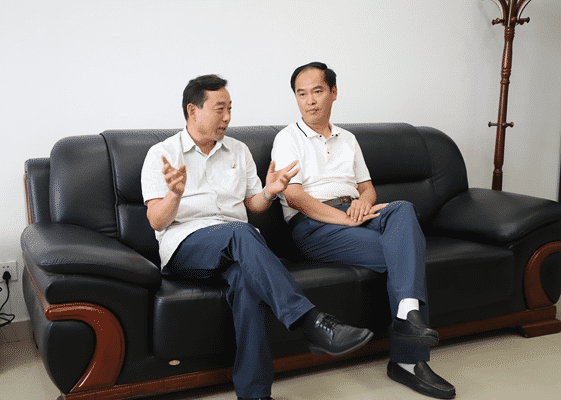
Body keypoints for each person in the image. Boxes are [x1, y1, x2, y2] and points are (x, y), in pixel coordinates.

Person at [141, 74, 373, 400]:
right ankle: (311, 322)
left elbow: (253, 205)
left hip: (236, 244)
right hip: (187, 246)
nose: (227, 117)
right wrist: (175, 195)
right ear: (193, 110)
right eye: (219, 109)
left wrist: (270, 191)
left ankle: (255, 394)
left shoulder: (239, 150)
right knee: (241, 232)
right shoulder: (162, 154)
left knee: (247, 282)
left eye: (230, 108)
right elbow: (157, 219)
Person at [271, 62, 456, 399]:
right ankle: (409, 361)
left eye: (317, 91)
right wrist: (343, 218)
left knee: (403, 208)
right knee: (406, 252)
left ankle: (407, 313)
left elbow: (367, 188)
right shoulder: (287, 139)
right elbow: (295, 197)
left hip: (354, 211)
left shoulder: (348, 139)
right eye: (301, 93)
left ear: (333, 93)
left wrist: (361, 204)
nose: (309, 101)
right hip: (314, 224)